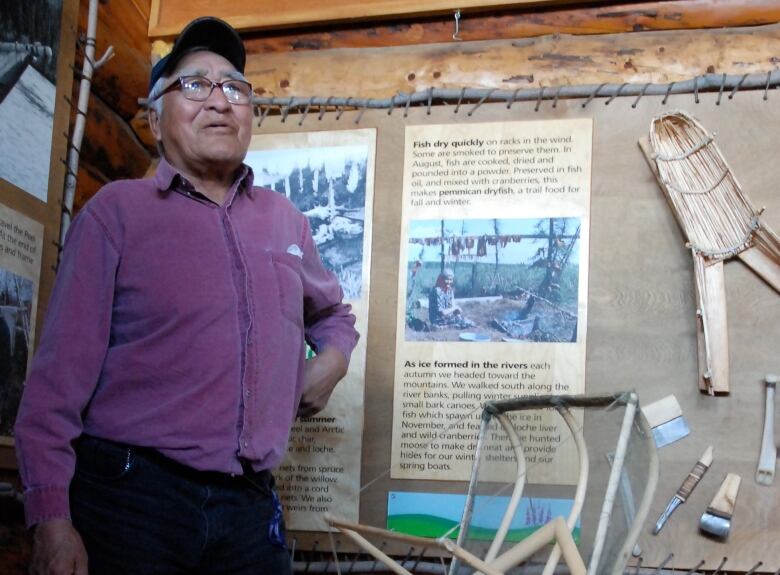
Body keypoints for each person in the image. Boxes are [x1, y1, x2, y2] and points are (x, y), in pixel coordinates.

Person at [14, 16, 358, 575]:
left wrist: (333, 362)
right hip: (132, 499)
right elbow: (54, 386)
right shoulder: (116, 215)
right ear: (154, 119)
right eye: (194, 84)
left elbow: (333, 315)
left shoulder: (285, 221)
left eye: (235, 87)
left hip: (249, 507)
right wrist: (52, 519)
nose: (220, 100)